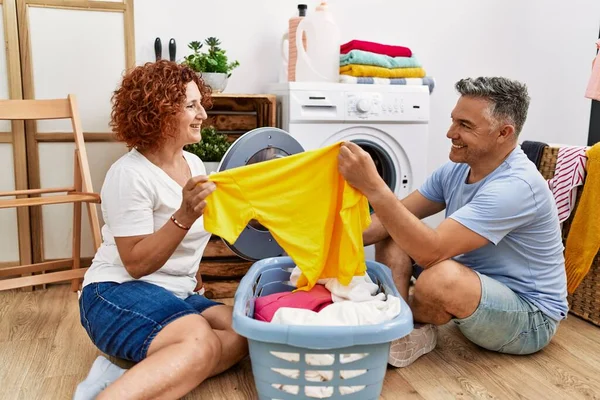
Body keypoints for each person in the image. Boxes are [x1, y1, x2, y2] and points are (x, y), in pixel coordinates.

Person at [338, 77, 568, 367]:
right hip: (479, 288)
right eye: (453, 121)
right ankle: (399, 324)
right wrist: (315, 239)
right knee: (395, 225)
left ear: (503, 133)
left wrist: (373, 186)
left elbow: (430, 252)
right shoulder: (456, 170)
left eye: (465, 125)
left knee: (438, 279)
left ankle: (412, 326)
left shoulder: (517, 185)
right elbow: (388, 221)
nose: (450, 133)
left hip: (530, 317)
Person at [74, 60, 248, 399]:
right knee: (199, 338)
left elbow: (191, 241)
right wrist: (183, 215)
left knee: (242, 333)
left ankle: (129, 371)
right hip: (115, 292)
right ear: (160, 112)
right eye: (190, 106)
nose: (204, 115)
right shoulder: (129, 174)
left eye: (201, 103)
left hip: (174, 294)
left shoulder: (193, 164)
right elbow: (136, 263)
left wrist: (191, 275)